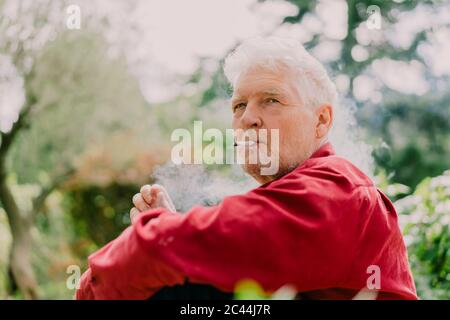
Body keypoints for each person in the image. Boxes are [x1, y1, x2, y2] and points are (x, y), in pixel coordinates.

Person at [76, 37, 417, 300]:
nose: (247, 118)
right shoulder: (299, 194)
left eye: (271, 100)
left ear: (321, 120)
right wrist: (176, 239)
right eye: (239, 105)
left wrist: (165, 233)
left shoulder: (339, 189)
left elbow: (153, 250)